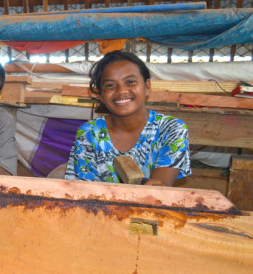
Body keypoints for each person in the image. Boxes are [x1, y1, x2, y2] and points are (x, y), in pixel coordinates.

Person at [64, 51, 191, 186]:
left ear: (147, 87)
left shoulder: (171, 129)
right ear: (100, 94)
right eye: (110, 85)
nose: (121, 91)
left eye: (130, 82)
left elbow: (158, 187)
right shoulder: (89, 133)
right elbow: (84, 191)